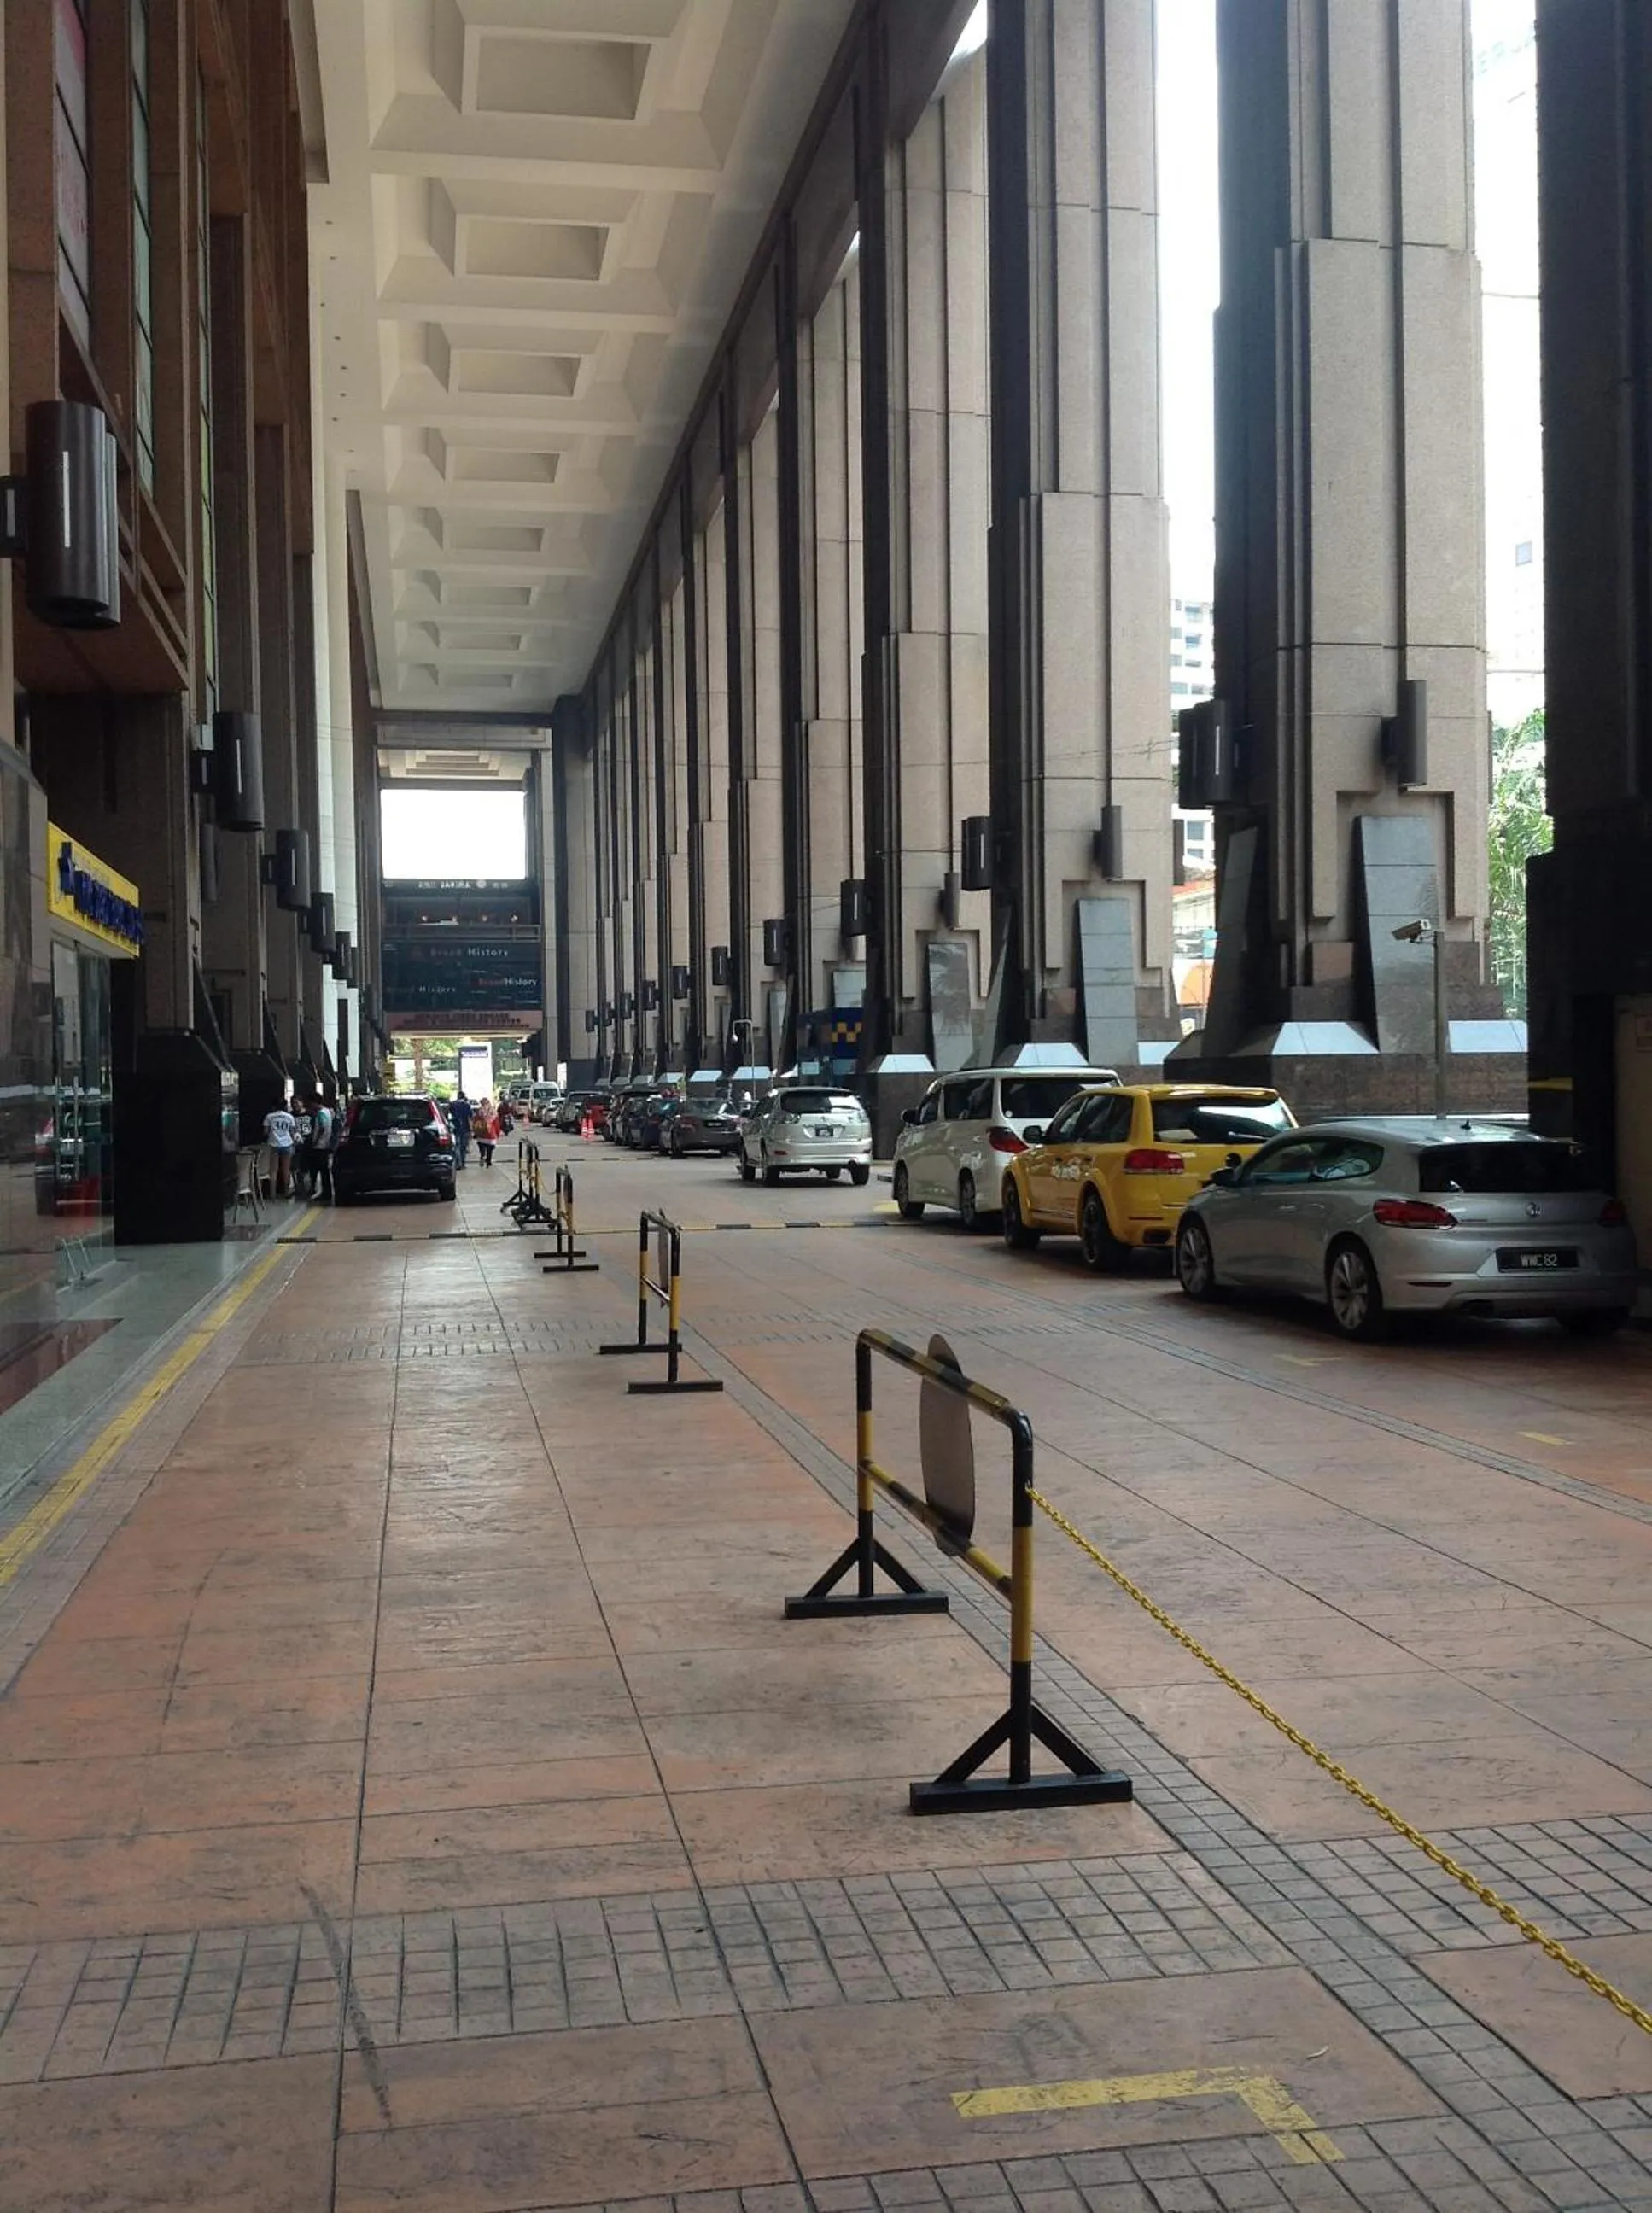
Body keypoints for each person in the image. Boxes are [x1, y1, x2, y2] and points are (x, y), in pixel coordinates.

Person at [263, 1097, 298, 1199]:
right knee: (286, 1170)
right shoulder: (289, 1117)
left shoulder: (269, 1116)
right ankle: (286, 1192)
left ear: (274, 1106)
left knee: (273, 1170)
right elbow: (292, 1132)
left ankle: (273, 1194)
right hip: (287, 1144)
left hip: (274, 1144)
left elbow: (265, 1132)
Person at [306, 1094, 336, 1204]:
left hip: (320, 1146)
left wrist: (316, 1140)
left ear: (315, 1102)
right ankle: (326, 1192)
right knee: (324, 1171)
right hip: (325, 1145)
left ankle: (325, 1193)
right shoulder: (328, 1112)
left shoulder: (321, 1113)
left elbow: (322, 1127)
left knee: (321, 1170)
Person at [449, 1090, 473, 1169]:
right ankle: (462, 1164)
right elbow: (469, 1118)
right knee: (463, 1147)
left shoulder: (452, 1104)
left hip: (455, 1128)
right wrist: (471, 1129)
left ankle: (457, 1163)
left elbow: (449, 1115)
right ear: (464, 1097)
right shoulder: (467, 1106)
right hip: (465, 1128)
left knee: (456, 1146)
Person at [474, 1098, 498, 1169]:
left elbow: (476, 1121)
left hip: (482, 1132)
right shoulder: (493, 1111)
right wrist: (497, 1132)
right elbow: (496, 1123)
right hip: (491, 1132)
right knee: (490, 1148)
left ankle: (482, 1156)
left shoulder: (480, 1111)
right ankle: (489, 1161)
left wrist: (475, 1131)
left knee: (482, 1146)